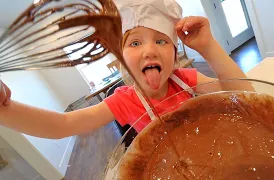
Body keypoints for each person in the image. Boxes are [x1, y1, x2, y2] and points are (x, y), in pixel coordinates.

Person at [0, 0, 247, 138]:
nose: (150, 51)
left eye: (161, 40)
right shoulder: (125, 102)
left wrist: (208, 46)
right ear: (121, 57)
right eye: (135, 43)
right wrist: (4, 111)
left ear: (174, 52)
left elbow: (247, 97)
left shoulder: (188, 80)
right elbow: (61, 125)